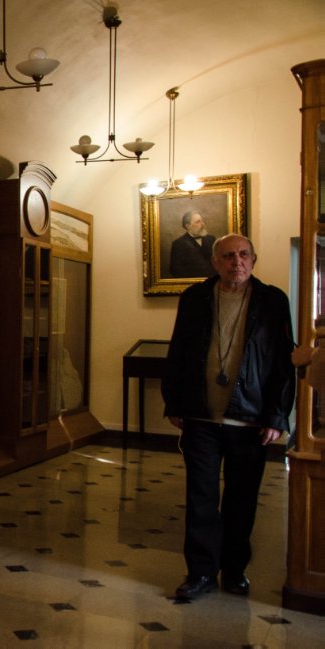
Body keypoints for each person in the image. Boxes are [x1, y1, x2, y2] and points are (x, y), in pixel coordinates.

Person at [161, 233, 295, 599]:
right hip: (201, 416)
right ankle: (201, 573)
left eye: (244, 255)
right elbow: (178, 350)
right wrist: (174, 402)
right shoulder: (195, 297)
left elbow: (282, 362)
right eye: (229, 256)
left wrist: (277, 415)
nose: (237, 262)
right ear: (215, 262)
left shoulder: (272, 300)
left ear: (253, 259)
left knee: (242, 499)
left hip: (250, 420)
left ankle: (234, 570)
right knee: (200, 497)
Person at [169, 210, 216, 278]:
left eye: (202, 221)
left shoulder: (211, 239)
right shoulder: (178, 244)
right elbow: (175, 270)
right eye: (198, 222)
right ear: (188, 226)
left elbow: (219, 263)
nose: (203, 224)